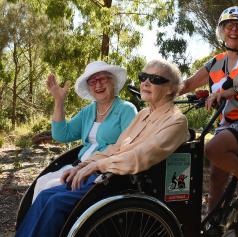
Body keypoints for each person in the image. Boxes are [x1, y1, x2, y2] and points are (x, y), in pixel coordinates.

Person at [15, 59, 188, 237]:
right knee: (45, 196)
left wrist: (97, 166)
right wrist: (85, 165)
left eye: (155, 79)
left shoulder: (176, 121)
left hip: (124, 181)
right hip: (106, 174)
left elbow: (140, 156)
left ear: (170, 88)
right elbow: (117, 147)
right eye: (143, 77)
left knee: (56, 203)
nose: (145, 82)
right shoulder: (144, 114)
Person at [180, 6, 238, 211]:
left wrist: (229, 92)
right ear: (221, 31)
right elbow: (187, 84)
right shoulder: (216, 62)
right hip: (227, 126)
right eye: (229, 25)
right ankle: (214, 226)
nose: (234, 30)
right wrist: (160, 92)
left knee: (213, 149)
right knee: (215, 179)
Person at [32, 61, 137, 202]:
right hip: (79, 166)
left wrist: (92, 165)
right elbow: (61, 134)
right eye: (92, 82)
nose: (98, 85)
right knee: (41, 182)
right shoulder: (88, 111)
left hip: (102, 173)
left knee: (49, 190)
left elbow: (128, 147)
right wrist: (59, 100)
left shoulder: (126, 109)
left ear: (112, 82)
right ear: (89, 88)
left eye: (102, 79)